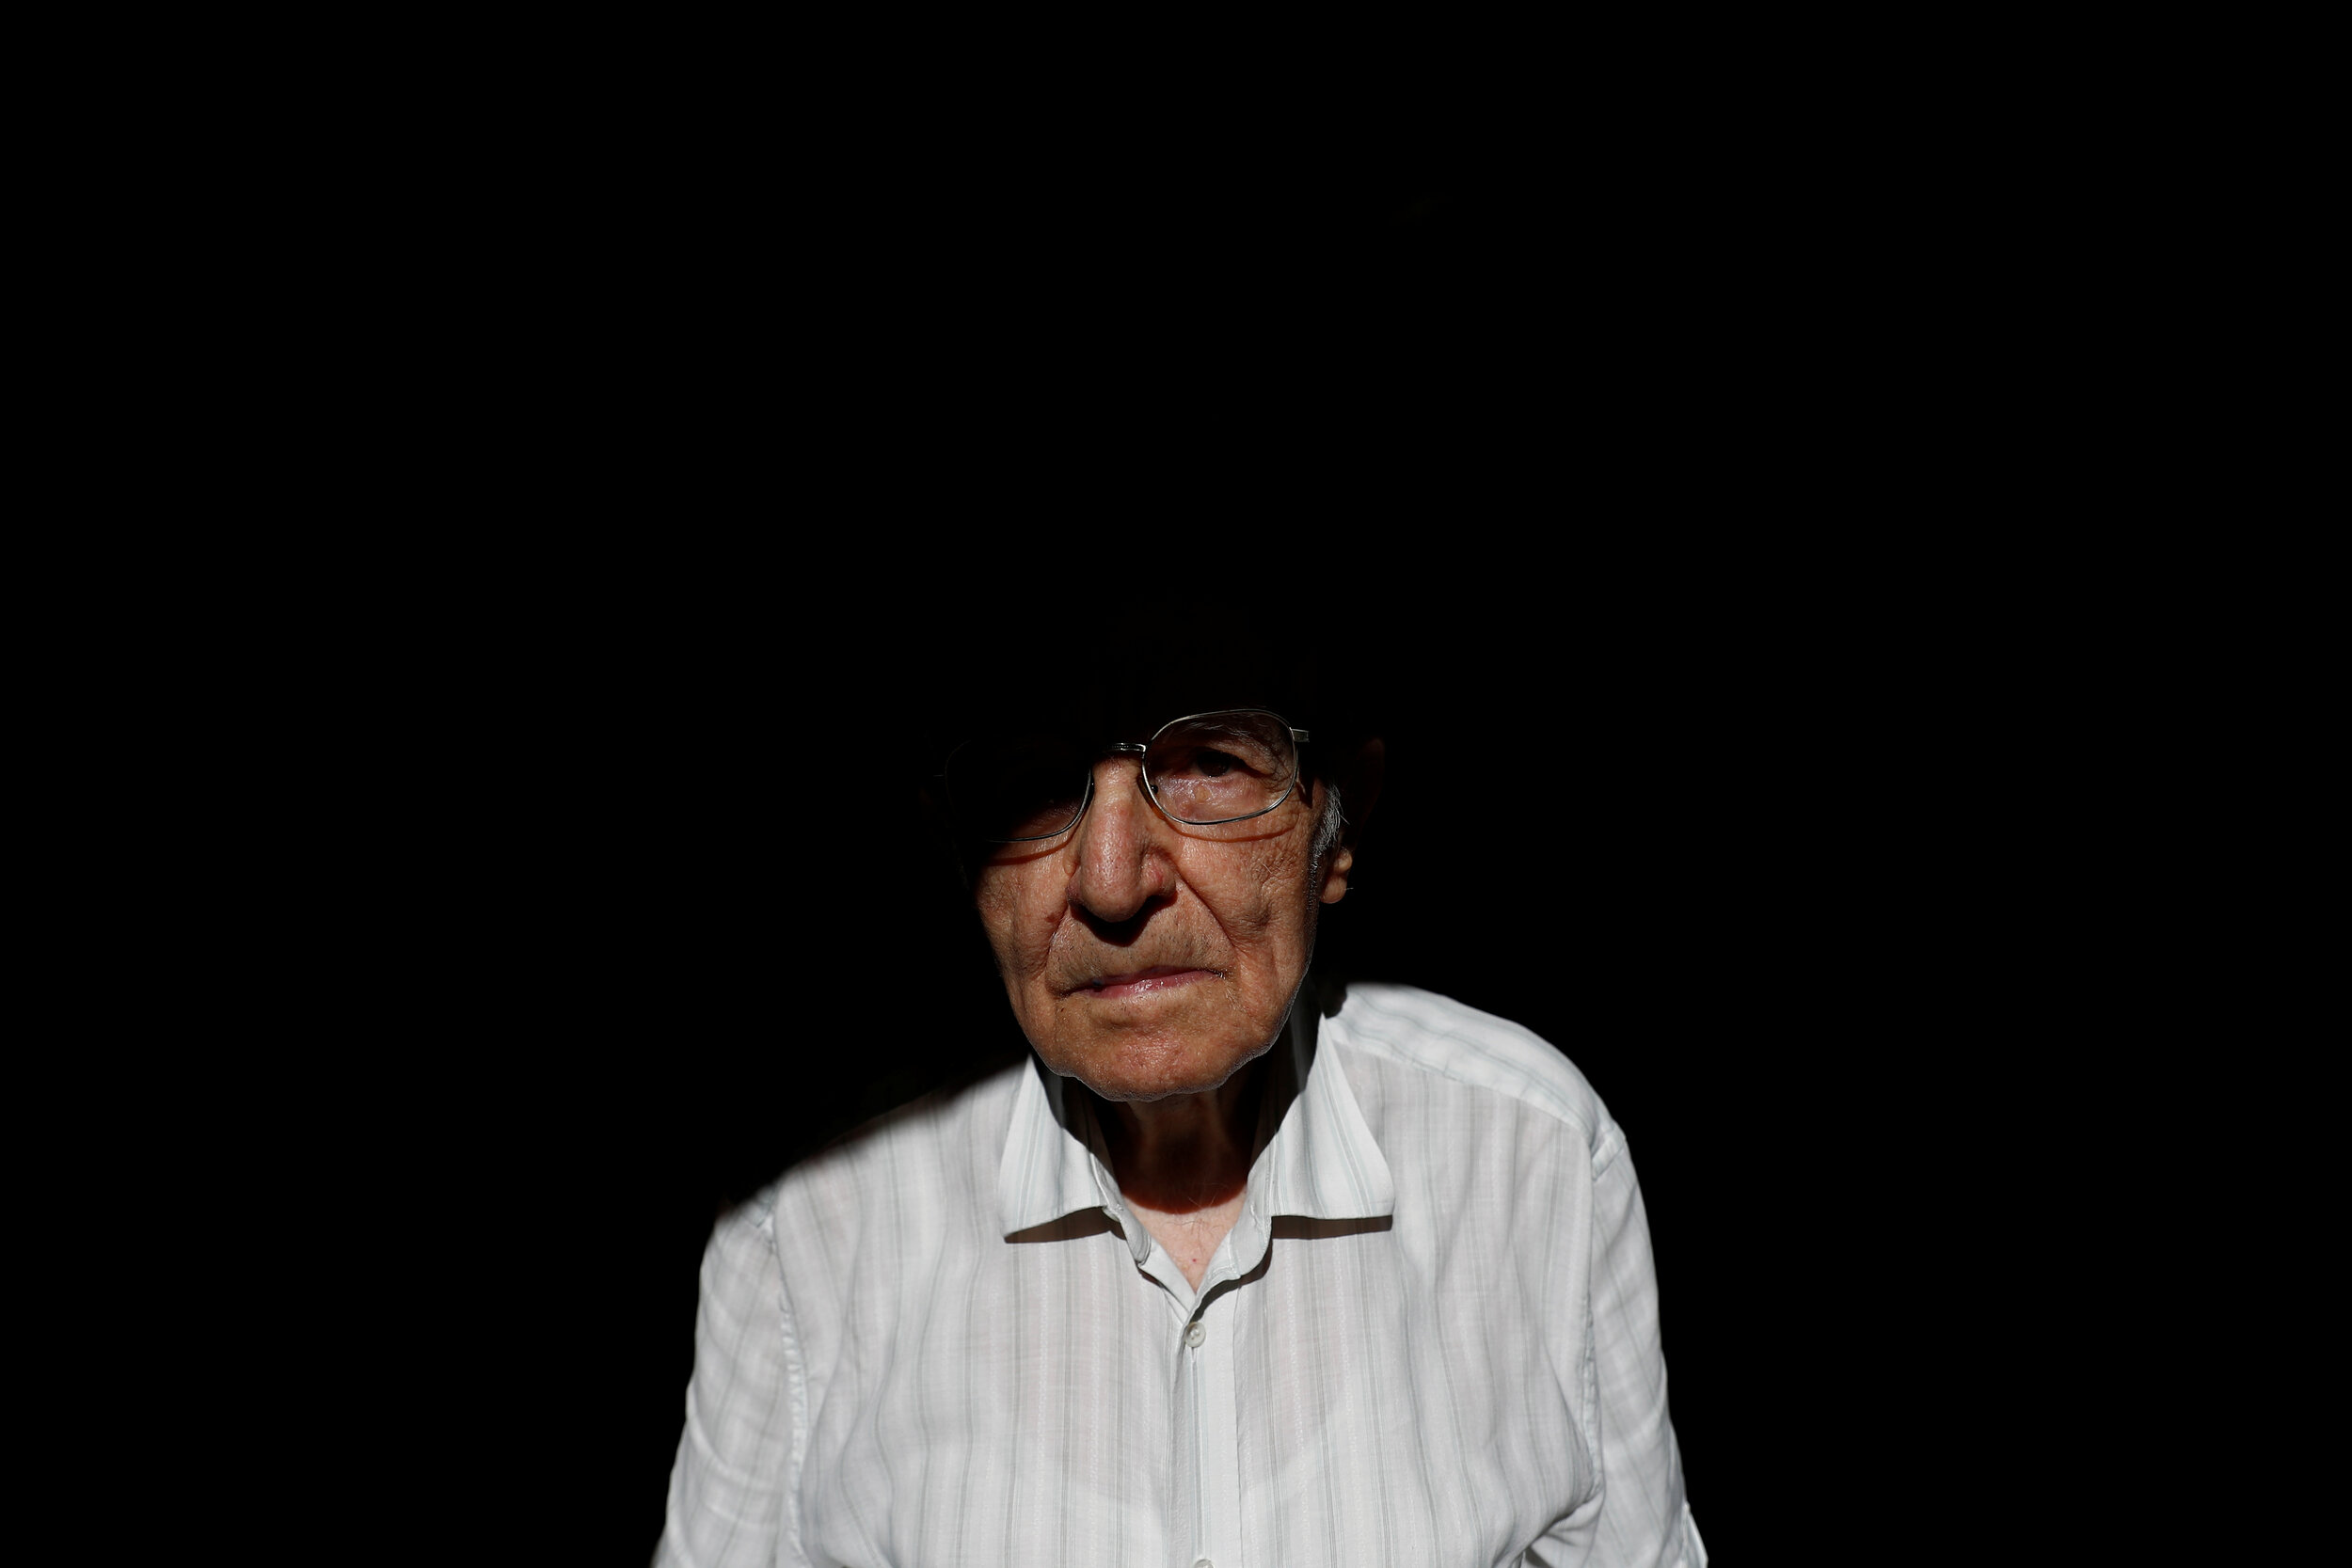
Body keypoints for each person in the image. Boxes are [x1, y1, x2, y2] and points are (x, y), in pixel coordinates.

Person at [656, 650, 1706, 1567]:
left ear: (1335, 821)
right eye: (1031, 777)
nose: (1112, 883)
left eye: (1211, 763)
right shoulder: (806, 1215)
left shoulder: (1533, 1150)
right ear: (954, 844)